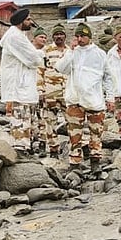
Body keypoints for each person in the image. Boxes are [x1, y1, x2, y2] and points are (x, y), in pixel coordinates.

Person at [55, 23, 111, 168]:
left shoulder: (99, 54)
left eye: (83, 36)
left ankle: (95, 161)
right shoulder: (72, 52)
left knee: (96, 133)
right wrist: (70, 52)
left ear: (89, 37)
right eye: (77, 36)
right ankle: (75, 163)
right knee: (74, 134)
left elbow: (108, 77)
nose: (79, 39)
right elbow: (60, 68)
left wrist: (110, 97)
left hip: (94, 100)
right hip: (74, 100)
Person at [0, 8, 44, 153]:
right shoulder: (15, 37)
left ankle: (26, 146)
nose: (31, 22)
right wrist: (41, 53)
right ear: (21, 22)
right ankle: (20, 148)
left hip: (23, 86)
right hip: (18, 86)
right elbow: (34, 59)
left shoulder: (19, 35)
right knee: (20, 119)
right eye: (28, 20)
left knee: (26, 119)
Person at [38, 24, 69, 158]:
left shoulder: (70, 51)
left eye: (61, 34)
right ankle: (53, 149)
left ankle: (78, 148)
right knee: (50, 121)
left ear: (65, 36)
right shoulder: (46, 50)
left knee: (73, 119)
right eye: (56, 34)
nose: (59, 37)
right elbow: (39, 71)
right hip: (50, 91)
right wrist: (40, 90)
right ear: (53, 37)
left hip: (68, 91)